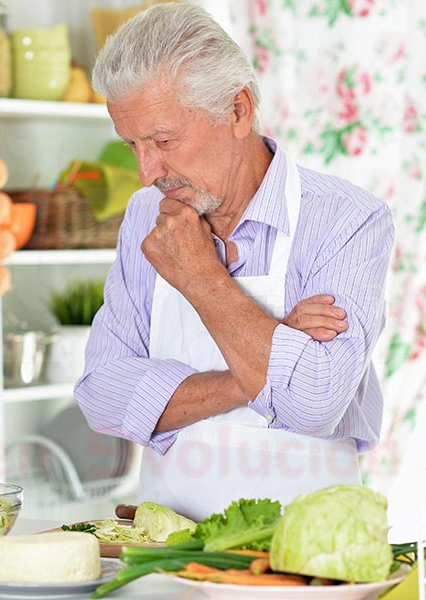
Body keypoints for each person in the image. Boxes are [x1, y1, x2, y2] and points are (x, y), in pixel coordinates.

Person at [74, 2, 394, 522]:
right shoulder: (143, 216)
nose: (145, 172)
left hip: (303, 559)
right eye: (131, 144)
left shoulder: (348, 219)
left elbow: (313, 405)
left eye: (162, 140)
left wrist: (201, 277)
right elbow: (102, 394)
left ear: (238, 111)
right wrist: (261, 362)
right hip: (167, 553)